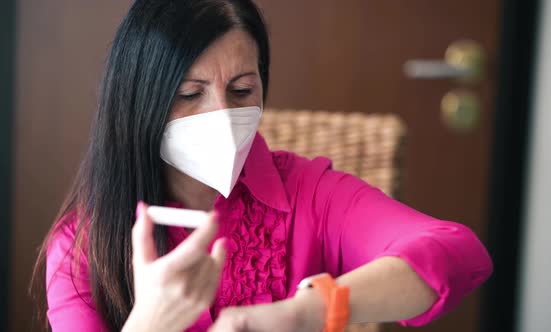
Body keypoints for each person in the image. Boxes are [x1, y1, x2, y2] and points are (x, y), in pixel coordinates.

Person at [31, 1, 493, 331]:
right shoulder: (80, 248)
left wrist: (305, 312)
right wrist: (152, 321)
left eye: (242, 90)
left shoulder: (310, 192)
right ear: (139, 104)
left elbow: (455, 252)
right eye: (190, 95)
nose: (221, 115)